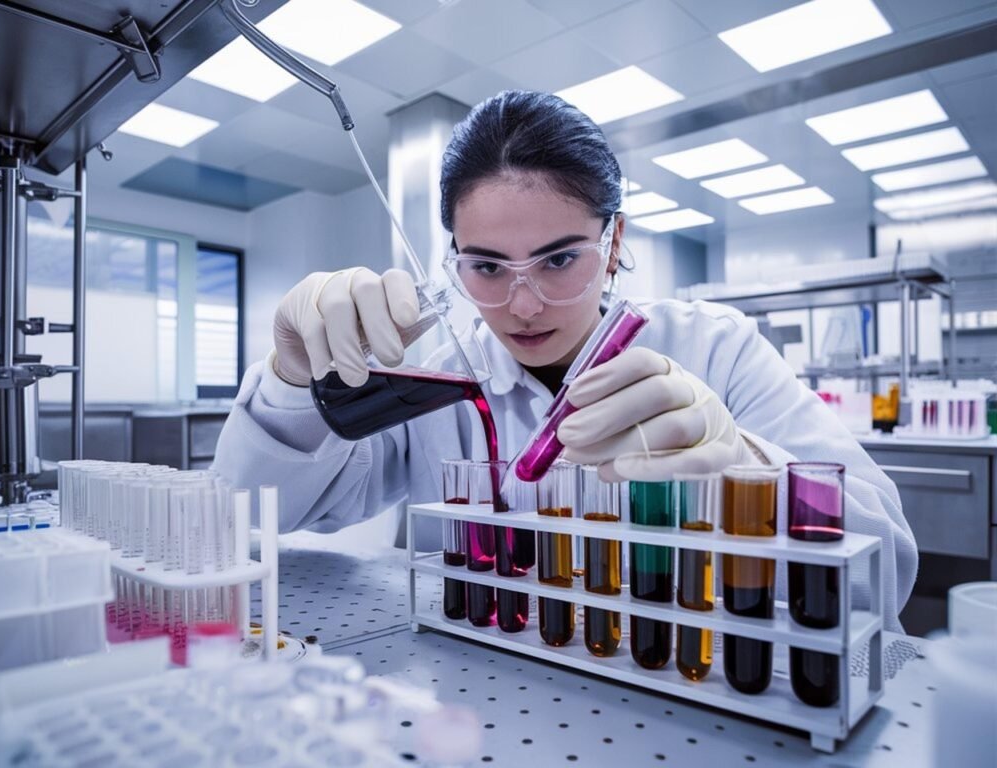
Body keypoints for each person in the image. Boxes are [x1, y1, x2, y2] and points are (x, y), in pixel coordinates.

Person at [213, 90, 916, 631]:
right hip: (482, 690)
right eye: (486, 266)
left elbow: (887, 577)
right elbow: (249, 514)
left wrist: (748, 467)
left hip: (683, 687)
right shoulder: (443, 382)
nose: (523, 305)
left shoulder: (714, 347)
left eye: (559, 259)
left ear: (613, 244)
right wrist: (291, 378)